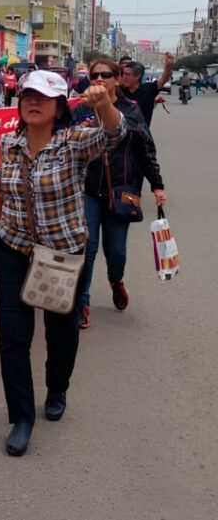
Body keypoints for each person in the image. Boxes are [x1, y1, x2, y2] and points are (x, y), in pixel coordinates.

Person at [0, 71, 123, 457]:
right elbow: (5, 182)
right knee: (13, 336)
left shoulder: (73, 143)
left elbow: (115, 134)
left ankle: (58, 386)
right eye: (27, 95)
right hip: (12, 248)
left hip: (61, 254)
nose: (33, 101)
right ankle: (22, 418)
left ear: (59, 106)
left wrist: (104, 106)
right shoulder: (8, 143)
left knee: (60, 332)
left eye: (43, 97)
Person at [72, 58, 165, 329]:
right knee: (86, 249)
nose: (100, 79)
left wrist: (157, 185)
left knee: (116, 252)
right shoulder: (80, 111)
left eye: (106, 74)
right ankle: (83, 303)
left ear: (116, 79)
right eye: (94, 75)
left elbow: (145, 149)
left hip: (122, 190)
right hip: (87, 190)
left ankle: (116, 281)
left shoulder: (131, 110)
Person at [120, 53, 173, 127]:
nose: (124, 77)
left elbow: (164, 79)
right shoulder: (118, 91)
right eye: (123, 74)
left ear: (138, 76)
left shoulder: (148, 90)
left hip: (141, 136)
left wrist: (168, 66)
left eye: (128, 74)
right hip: (121, 135)